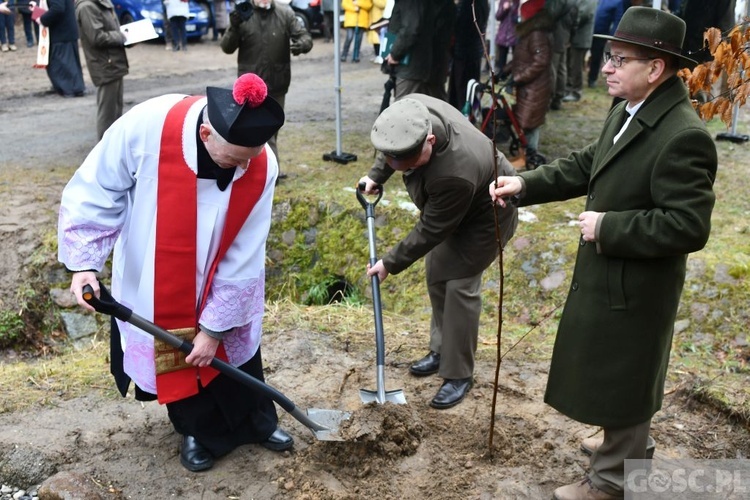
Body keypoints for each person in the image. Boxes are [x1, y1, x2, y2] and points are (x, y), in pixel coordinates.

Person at [490, 7, 717, 499]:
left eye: (619, 58)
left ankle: (612, 481)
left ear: (655, 68)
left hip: (638, 283)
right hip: (611, 273)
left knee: (629, 378)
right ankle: (618, 443)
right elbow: (589, 164)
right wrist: (524, 184)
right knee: (613, 371)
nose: (606, 67)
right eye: (609, 56)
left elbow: (688, 226)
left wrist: (609, 227)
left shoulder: (683, 136)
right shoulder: (628, 109)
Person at [58, 73, 295, 473]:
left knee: (232, 349)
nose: (242, 168)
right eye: (234, 158)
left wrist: (216, 327)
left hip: (222, 270)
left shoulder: (259, 163)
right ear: (206, 134)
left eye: (249, 159)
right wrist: (85, 264)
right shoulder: (146, 126)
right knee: (176, 350)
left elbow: (245, 251)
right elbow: (98, 188)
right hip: (154, 271)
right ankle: (195, 431)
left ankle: (257, 421)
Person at [359, 95, 518, 409]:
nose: (398, 168)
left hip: (486, 216)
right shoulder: (411, 112)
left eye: (407, 164)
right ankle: (442, 348)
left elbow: (432, 228)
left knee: (459, 285)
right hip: (451, 208)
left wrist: (390, 262)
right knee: (436, 273)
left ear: (430, 140)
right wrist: (377, 175)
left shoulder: (454, 172)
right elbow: (391, 143)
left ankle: (459, 373)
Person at [221, 0, 312, 181]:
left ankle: (267, 170)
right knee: (252, 130)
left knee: (271, 130)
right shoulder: (243, 14)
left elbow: (305, 38)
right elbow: (227, 47)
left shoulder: (285, 13)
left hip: (277, 82)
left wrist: (301, 45)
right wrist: (234, 26)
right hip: (250, 87)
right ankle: (268, 172)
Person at [500, 0, 553, 159]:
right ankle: (525, 153)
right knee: (523, 120)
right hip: (528, 88)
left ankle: (530, 155)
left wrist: (516, 79)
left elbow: (540, 61)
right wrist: (505, 71)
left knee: (530, 123)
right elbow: (520, 58)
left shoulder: (536, 34)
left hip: (535, 89)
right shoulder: (528, 33)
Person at [75, 0, 129, 140]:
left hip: (114, 62)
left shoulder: (103, 3)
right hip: (105, 64)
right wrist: (121, 37)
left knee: (116, 109)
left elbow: (112, 30)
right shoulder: (87, 7)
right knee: (107, 113)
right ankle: (104, 149)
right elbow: (97, 37)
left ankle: (114, 147)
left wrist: (128, 37)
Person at [38, 0, 86, 97]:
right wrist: (36, 10)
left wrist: (42, 19)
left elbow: (57, 9)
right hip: (66, 32)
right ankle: (74, 88)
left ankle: (70, 89)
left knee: (62, 65)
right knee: (69, 65)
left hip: (61, 33)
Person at [447, 0, 489, 112]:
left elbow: (461, 27)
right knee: (469, 89)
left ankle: (465, 116)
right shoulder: (481, 3)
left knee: (463, 92)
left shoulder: (468, 4)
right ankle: (470, 113)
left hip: (464, 53)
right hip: (472, 52)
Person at [561, 0, 595, 103]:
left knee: (576, 67)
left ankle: (576, 92)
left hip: (581, 38)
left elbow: (583, 15)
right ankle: (569, 89)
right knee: (570, 65)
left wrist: (570, 23)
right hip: (573, 36)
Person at [494, 0, 520, 75]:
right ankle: (501, 76)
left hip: (515, 34)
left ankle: (514, 75)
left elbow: (521, 17)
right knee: (502, 59)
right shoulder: (503, 2)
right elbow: (497, 16)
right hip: (503, 35)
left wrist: (517, 17)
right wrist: (504, 9)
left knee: (516, 58)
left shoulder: (518, 2)